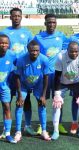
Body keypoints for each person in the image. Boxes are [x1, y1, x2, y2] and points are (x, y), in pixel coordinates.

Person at [0, 7, 35, 138]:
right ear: (10, 17)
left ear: (21, 17)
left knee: (25, 100)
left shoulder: (27, 33)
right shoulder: (4, 32)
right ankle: (6, 127)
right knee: (7, 102)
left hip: (22, 72)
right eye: (13, 16)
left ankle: (27, 125)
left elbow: (32, 49)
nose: (16, 18)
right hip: (8, 73)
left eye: (18, 16)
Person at [34, 14, 68, 134]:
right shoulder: (38, 37)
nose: (51, 24)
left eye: (53, 22)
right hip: (43, 75)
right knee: (42, 99)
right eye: (49, 22)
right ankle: (41, 125)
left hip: (58, 74)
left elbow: (66, 53)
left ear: (56, 23)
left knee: (58, 100)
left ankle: (59, 124)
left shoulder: (62, 36)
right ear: (45, 23)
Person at [14, 40, 51, 142]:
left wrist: (43, 95)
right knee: (19, 104)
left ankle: (44, 131)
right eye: (32, 50)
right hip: (23, 85)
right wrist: (20, 95)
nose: (35, 53)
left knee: (42, 104)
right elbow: (16, 77)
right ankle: (18, 131)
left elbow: (46, 77)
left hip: (38, 84)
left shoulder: (44, 59)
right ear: (28, 50)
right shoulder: (21, 60)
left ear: (39, 50)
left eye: (37, 50)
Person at [51, 41, 79, 140]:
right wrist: (57, 94)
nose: (74, 54)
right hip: (62, 82)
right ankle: (55, 131)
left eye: (76, 51)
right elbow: (57, 76)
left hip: (76, 82)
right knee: (57, 104)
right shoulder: (60, 57)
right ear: (67, 50)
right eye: (71, 51)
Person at [0, 34, 17, 144]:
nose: (4, 45)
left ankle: (7, 134)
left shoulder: (12, 55)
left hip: (5, 87)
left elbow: (18, 67)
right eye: (1, 43)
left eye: (6, 43)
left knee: (7, 106)